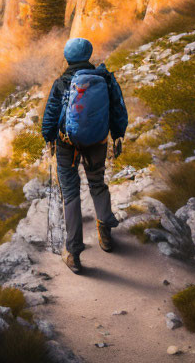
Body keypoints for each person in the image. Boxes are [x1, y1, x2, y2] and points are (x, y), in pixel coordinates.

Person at [41, 37, 128, 273]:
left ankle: (73, 252)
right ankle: (105, 235)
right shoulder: (104, 78)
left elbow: (50, 115)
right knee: (97, 184)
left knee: (70, 194)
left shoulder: (62, 82)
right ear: (88, 55)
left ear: (67, 57)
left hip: (67, 144)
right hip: (98, 141)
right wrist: (118, 134)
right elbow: (118, 108)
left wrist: (48, 138)